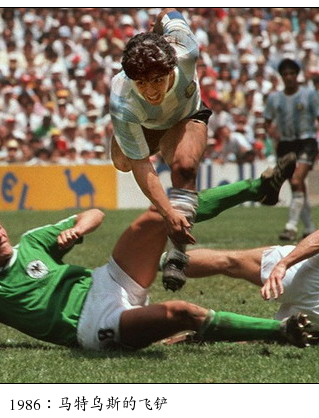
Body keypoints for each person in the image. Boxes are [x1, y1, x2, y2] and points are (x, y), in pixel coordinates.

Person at [0, 158, 315, 351]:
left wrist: (79, 229)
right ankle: (282, 331)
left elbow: (95, 213)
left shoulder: (31, 241)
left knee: (158, 214)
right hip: (93, 324)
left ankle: (257, 188)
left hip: (107, 281)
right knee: (181, 312)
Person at [109, 9, 215, 292]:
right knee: (123, 162)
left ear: (171, 67)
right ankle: (126, 135)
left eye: (157, 79)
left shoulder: (186, 50)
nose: (151, 91)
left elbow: (168, 12)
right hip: (145, 124)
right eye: (141, 83)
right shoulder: (122, 98)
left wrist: (155, 34)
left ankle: (177, 255)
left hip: (186, 115)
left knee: (185, 167)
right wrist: (168, 213)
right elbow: (142, 165)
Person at [184, 218, 319, 337]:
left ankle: (168, 264)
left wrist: (283, 264)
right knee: (269, 334)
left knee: (230, 262)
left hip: (311, 272)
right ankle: (203, 337)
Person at [264, 58, 319, 242]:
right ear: (281, 77)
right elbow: (267, 121)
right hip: (286, 144)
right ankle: (309, 227)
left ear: (297, 75)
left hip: (306, 142)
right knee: (298, 186)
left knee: (296, 181)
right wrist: (272, 131)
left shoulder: (309, 95)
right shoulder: (274, 98)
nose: (289, 77)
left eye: (292, 73)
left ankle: (291, 226)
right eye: (285, 74)